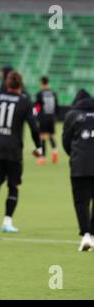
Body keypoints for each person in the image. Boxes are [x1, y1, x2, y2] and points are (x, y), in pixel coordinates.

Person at [0, 71, 42, 233]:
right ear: (21, 85)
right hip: (14, 150)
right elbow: (34, 128)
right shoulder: (25, 102)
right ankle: (7, 222)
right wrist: (38, 147)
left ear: (7, 84)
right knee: (13, 186)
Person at [62, 89, 94, 251]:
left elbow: (66, 142)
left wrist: (74, 154)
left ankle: (86, 234)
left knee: (81, 200)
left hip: (80, 163)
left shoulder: (72, 115)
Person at [35, 76, 59, 165]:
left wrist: (36, 117)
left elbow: (37, 107)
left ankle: (43, 157)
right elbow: (57, 106)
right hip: (51, 117)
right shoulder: (53, 93)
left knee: (42, 137)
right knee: (51, 135)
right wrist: (56, 117)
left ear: (42, 83)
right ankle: (55, 151)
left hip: (43, 117)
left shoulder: (40, 94)